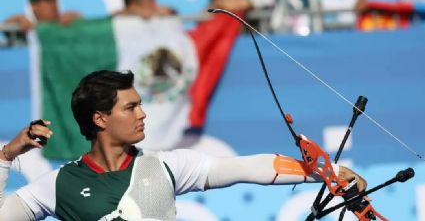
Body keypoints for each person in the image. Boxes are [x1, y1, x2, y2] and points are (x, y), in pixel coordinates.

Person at [0, 70, 366, 220]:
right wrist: (6, 156)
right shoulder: (58, 184)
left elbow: (240, 168)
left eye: (141, 104)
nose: (143, 114)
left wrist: (326, 173)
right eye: (131, 107)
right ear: (100, 119)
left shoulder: (166, 165)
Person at [3, 0, 81, 43]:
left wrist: (77, 20)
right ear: (34, 6)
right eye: (48, 0)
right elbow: (6, 28)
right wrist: (18, 18)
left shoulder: (66, 25)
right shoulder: (29, 31)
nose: (53, 4)